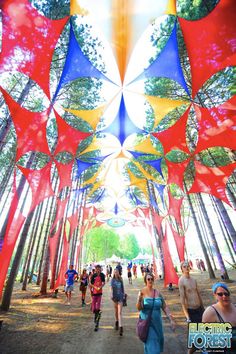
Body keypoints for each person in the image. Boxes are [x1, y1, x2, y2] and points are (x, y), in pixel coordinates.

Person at [136, 273, 175, 354]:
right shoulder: (142, 292)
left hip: (157, 324)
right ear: (145, 281)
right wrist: (139, 300)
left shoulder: (157, 292)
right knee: (153, 349)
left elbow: (164, 306)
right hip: (148, 323)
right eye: (148, 279)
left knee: (157, 343)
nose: (150, 280)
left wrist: (171, 319)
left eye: (151, 279)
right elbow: (139, 308)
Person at [178, 260, 204, 354]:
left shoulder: (194, 280)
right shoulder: (181, 281)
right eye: (184, 266)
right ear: (181, 269)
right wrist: (187, 317)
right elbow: (182, 300)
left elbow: (198, 294)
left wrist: (203, 308)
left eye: (187, 266)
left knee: (203, 334)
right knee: (194, 338)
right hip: (191, 311)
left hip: (199, 309)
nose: (186, 267)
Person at [202, 283, 236, 354]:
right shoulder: (210, 312)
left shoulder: (234, 308)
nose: (224, 296)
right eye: (220, 294)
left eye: (226, 294)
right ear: (215, 295)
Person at [90, 264, 105, 331]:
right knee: (93, 307)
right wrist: (95, 287)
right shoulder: (93, 275)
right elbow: (90, 283)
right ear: (95, 269)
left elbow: (104, 282)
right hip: (94, 292)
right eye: (97, 269)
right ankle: (96, 315)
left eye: (99, 269)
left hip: (99, 292)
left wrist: (100, 287)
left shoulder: (102, 275)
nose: (98, 270)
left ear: (100, 269)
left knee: (98, 307)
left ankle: (97, 322)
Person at [110, 268, 125, 336]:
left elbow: (123, 288)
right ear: (114, 273)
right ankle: (116, 321)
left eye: (117, 272)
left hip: (120, 297)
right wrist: (111, 295)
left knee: (120, 312)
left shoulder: (121, 279)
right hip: (115, 297)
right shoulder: (112, 280)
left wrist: (124, 296)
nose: (116, 273)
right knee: (116, 311)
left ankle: (121, 327)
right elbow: (111, 288)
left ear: (119, 273)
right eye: (115, 272)